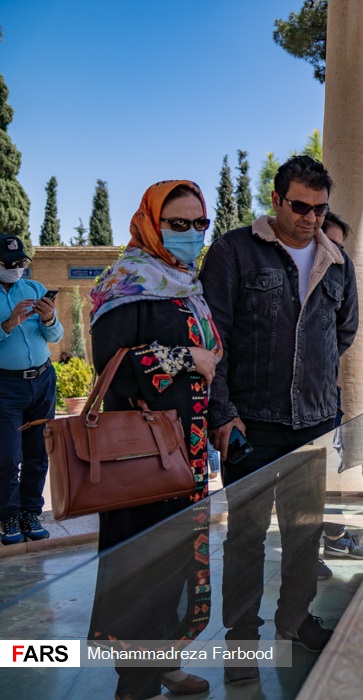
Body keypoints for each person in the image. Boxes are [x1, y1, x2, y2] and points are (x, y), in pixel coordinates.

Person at [200, 155, 359, 681]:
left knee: (304, 532)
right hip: (250, 423)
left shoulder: (337, 262)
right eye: (300, 206)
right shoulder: (233, 252)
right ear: (276, 200)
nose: (310, 218)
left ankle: (294, 622)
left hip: (312, 424)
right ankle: (242, 641)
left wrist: (317, 387)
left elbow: (344, 331)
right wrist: (222, 414)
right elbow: (212, 339)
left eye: (319, 208)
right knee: (244, 536)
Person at [87, 180, 217, 699]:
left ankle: (165, 662)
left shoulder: (186, 282)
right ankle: (135, 683)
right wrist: (189, 358)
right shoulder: (127, 281)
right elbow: (112, 368)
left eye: (198, 225)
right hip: (141, 457)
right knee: (144, 569)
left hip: (186, 454)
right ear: (151, 223)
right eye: (177, 224)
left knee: (177, 562)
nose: (189, 235)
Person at [0, 234, 62, 545]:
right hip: (5, 385)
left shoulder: (34, 288)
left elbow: (55, 335)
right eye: (10, 264)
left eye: (21, 262)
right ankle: (8, 515)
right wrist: (8, 324)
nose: (17, 268)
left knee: (38, 452)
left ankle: (30, 512)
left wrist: (49, 316)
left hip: (43, 380)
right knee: (8, 455)